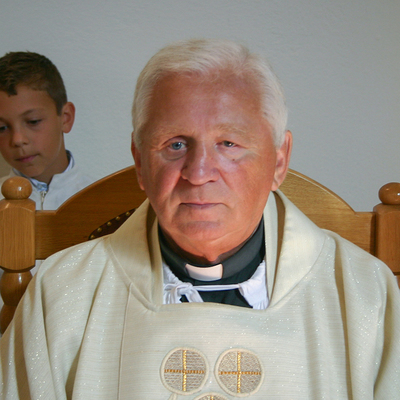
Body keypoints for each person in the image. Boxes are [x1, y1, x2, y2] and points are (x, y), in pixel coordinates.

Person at [1, 39, 399, 399]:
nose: (199, 172)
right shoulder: (63, 296)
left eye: (229, 143)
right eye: (175, 144)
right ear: (140, 164)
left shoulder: (365, 296)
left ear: (279, 162)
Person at [0, 51, 93, 210]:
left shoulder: (102, 201)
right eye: (2, 128)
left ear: (65, 118)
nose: (17, 140)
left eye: (33, 121)